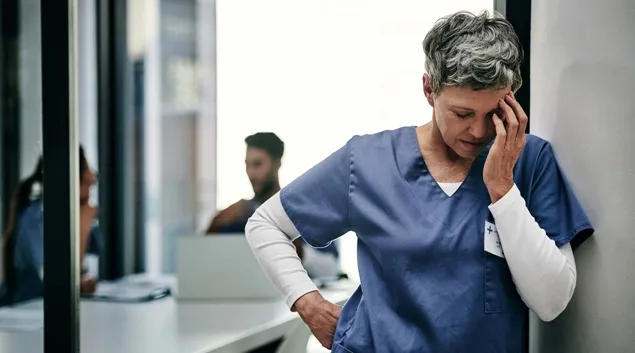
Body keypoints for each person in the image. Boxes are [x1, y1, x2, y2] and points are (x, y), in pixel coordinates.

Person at [245, 11, 594, 352]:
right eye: (462, 114)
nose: (478, 131)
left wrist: (503, 189)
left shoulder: (531, 161)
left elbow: (551, 302)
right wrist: (307, 302)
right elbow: (265, 224)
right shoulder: (368, 161)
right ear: (429, 90)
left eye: (494, 114)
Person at [206, 132, 340, 279]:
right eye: (247, 165)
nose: (250, 173)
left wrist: (295, 249)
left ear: (277, 163)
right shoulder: (237, 216)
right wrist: (216, 223)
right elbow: (205, 263)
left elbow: (331, 269)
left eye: (257, 164)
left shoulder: (304, 211)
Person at [0, 146, 101, 306]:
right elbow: (54, 282)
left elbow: (91, 264)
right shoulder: (35, 219)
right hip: (24, 310)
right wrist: (82, 228)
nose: (93, 178)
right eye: (86, 172)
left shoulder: (77, 215)